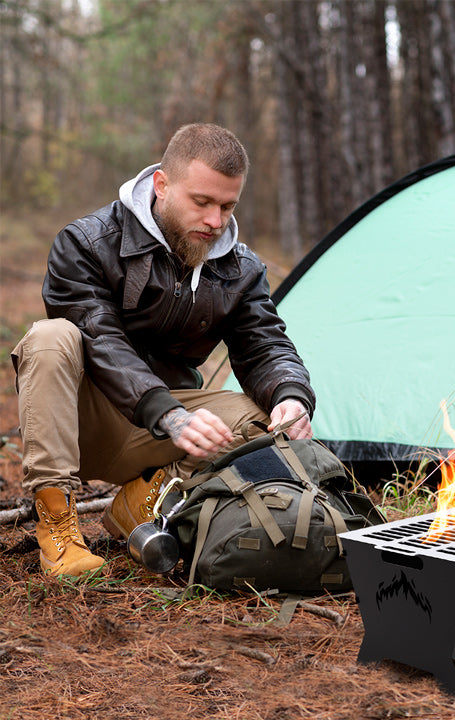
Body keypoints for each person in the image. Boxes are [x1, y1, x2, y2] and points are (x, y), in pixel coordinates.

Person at [12, 123, 315, 577]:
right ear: (162, 185)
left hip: (162, 433)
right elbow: (100, 337)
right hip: (81, 422)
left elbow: (264, 343)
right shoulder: (86, 243)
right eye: (202, 202)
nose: (216, 221)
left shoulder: (242, 268)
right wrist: (168, 413)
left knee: (262, 420)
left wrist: (291, 395)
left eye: (227, 206)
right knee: (49, 337)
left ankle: (145, 503)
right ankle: (57, 525)